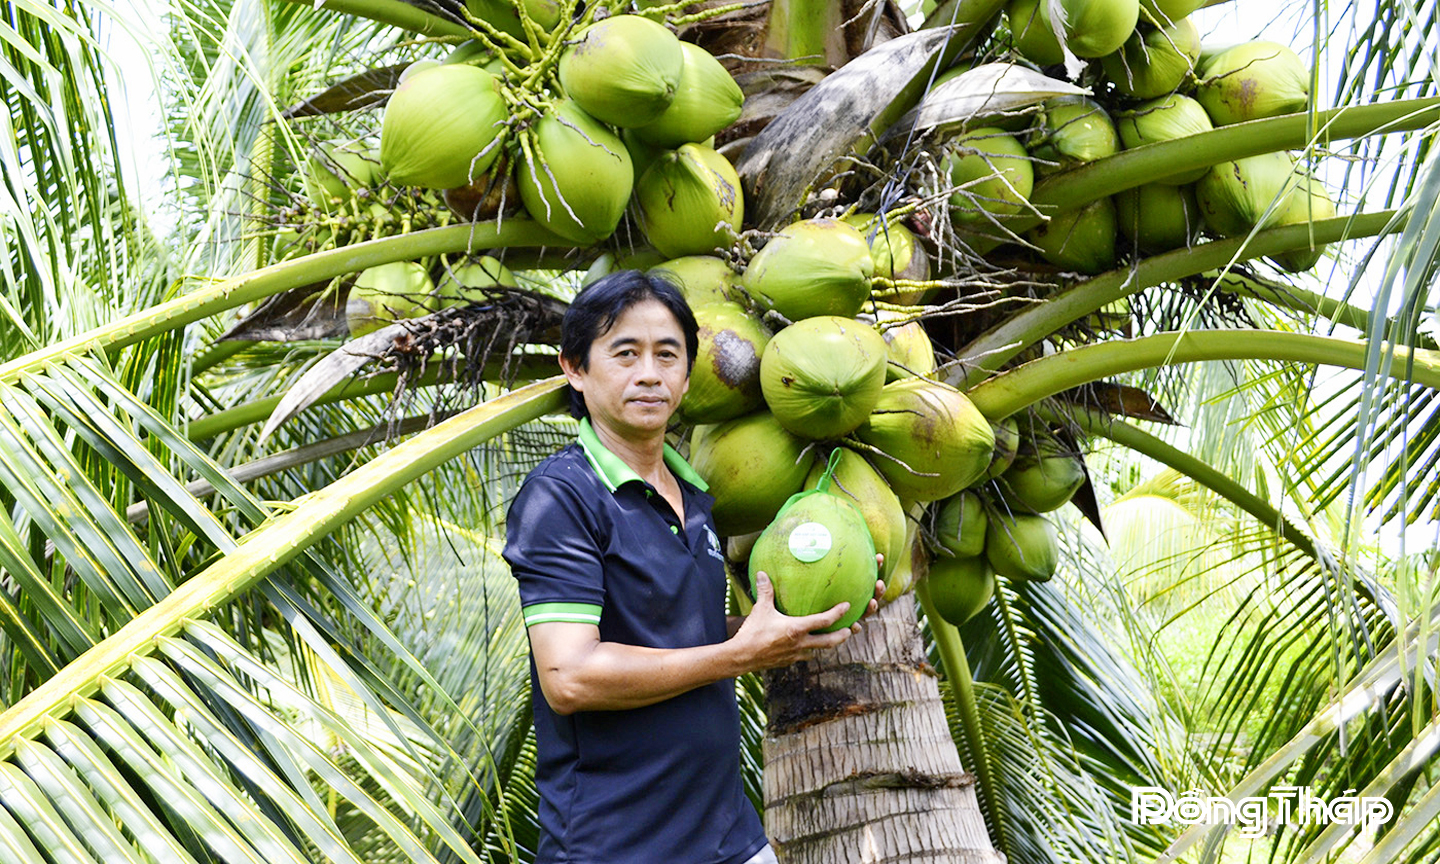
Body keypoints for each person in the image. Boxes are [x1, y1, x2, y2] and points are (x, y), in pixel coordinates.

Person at [502, 270, 882, 864]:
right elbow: (571, 676)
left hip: (729, 835)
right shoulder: (561, 497)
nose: (649, 373)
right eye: (625, 354)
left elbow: (680, 636)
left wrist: (785, 627)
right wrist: (740, 655)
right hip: (617, 847)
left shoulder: (695, 497)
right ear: (574, 368)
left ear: (686, 374)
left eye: (667, 354)